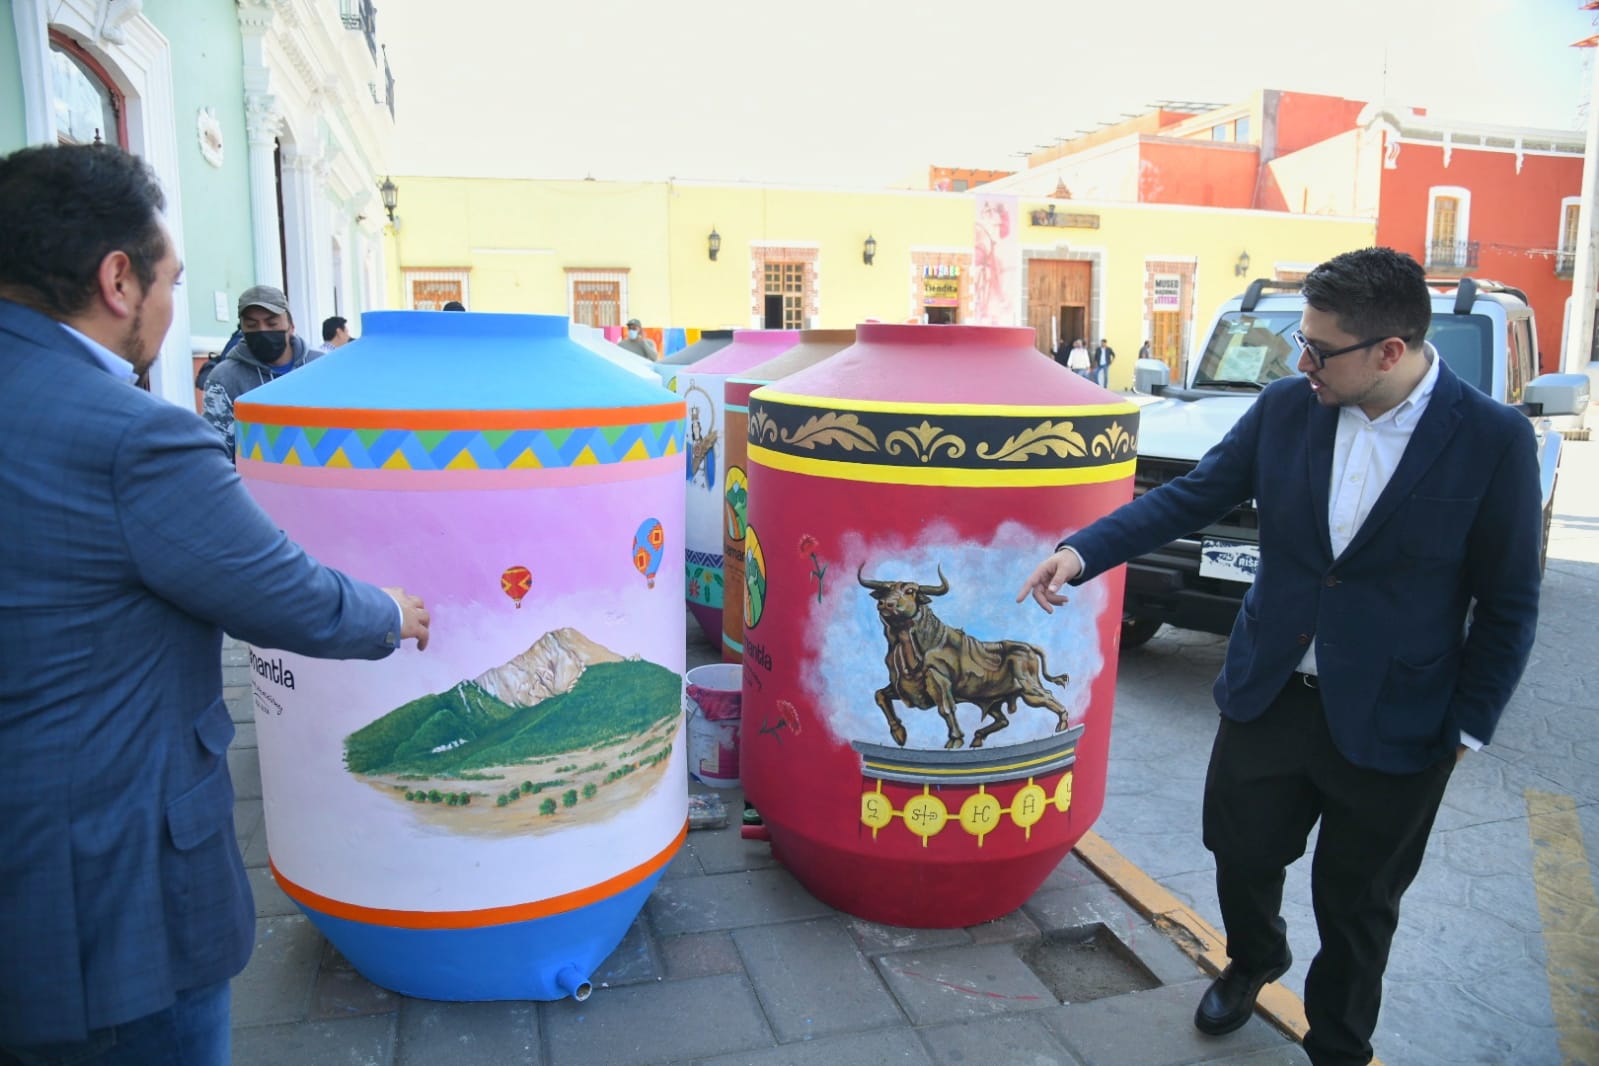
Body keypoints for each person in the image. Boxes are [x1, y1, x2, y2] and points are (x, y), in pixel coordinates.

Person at [1017, 247, 1540, 1066]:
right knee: (1240, 852)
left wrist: (1469, 724)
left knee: (1358, 903)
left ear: (1389, 351)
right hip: (1270, 692)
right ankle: (1254, 959)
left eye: (1318, 350)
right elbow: (1193, 494)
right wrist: (1082, 552)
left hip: (1398, 719)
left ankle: (1338, 1044)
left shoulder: (1492, 438)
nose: (1301, 364)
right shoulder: (1287, 408)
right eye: (1301, 342)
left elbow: (1508, 600)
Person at [0, 143, 431, 1065]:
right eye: (172, 282)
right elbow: (278, 591)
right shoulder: (130, 439)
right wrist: (390, 613)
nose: (169, 307)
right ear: (118, 279)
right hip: (104, 888)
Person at [201, 285, 316, 460]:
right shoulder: (224, 378)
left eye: (272, 323)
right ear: (242, 330)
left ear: (291, 326)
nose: (263, 331)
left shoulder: (319, 365)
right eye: (252, 325)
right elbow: (217, 451)